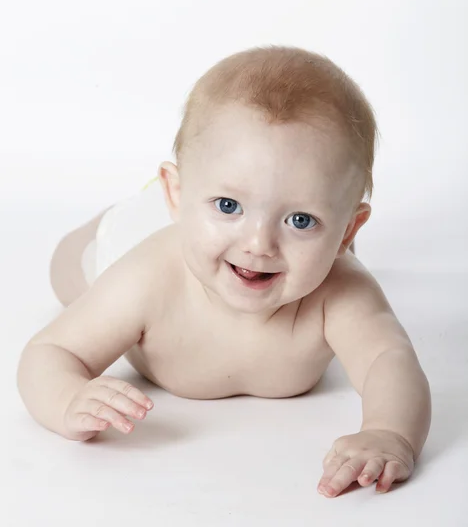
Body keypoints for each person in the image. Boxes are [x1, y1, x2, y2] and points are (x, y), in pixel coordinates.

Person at [17, 46, 431, 498]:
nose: (258, 245)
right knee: (69, 270)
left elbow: (389, 361)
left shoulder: (341, 292)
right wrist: (66, 399)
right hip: (134, 236)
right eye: (229, 205)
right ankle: (148, 207)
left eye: (300, 220)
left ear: (350, 228)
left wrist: (390, 433)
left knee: (282, 230)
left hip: (219, 233)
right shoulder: (148, 279)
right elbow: (50, 351)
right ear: (175, 193)